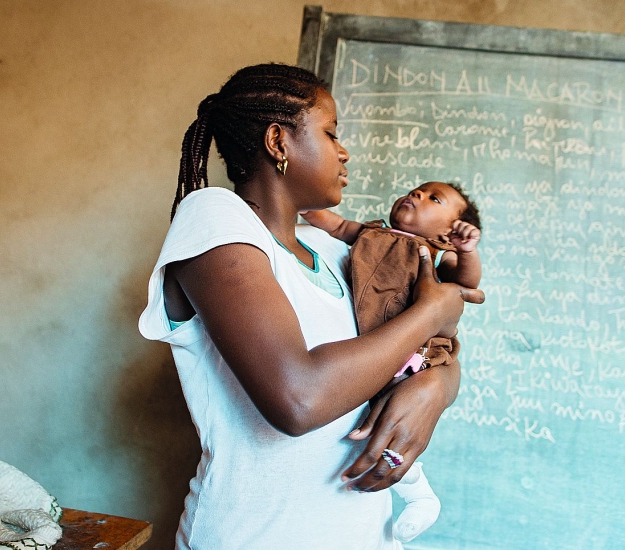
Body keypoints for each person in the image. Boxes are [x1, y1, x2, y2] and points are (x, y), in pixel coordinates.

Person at [137, 63, 483, 550]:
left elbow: (420, 346)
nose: (344, 152)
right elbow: (298, 399)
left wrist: (437, 387)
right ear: (278, 142)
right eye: (330, 133)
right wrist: (434, 309)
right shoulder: (215, 219)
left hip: (366, 535)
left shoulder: (338, 253)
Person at [301, 181, 482, 543]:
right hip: (377, 347)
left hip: (411, 353)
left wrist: (466, 252)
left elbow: (464, 283)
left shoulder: (434, 252)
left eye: (434, 199)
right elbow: (334, 225)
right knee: (377, 418)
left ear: (448, 234)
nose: (417, 195)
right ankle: (415, 490)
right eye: (417, 190)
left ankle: (418, 494)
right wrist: (303, 203)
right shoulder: (370, 234)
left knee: (395, 416)